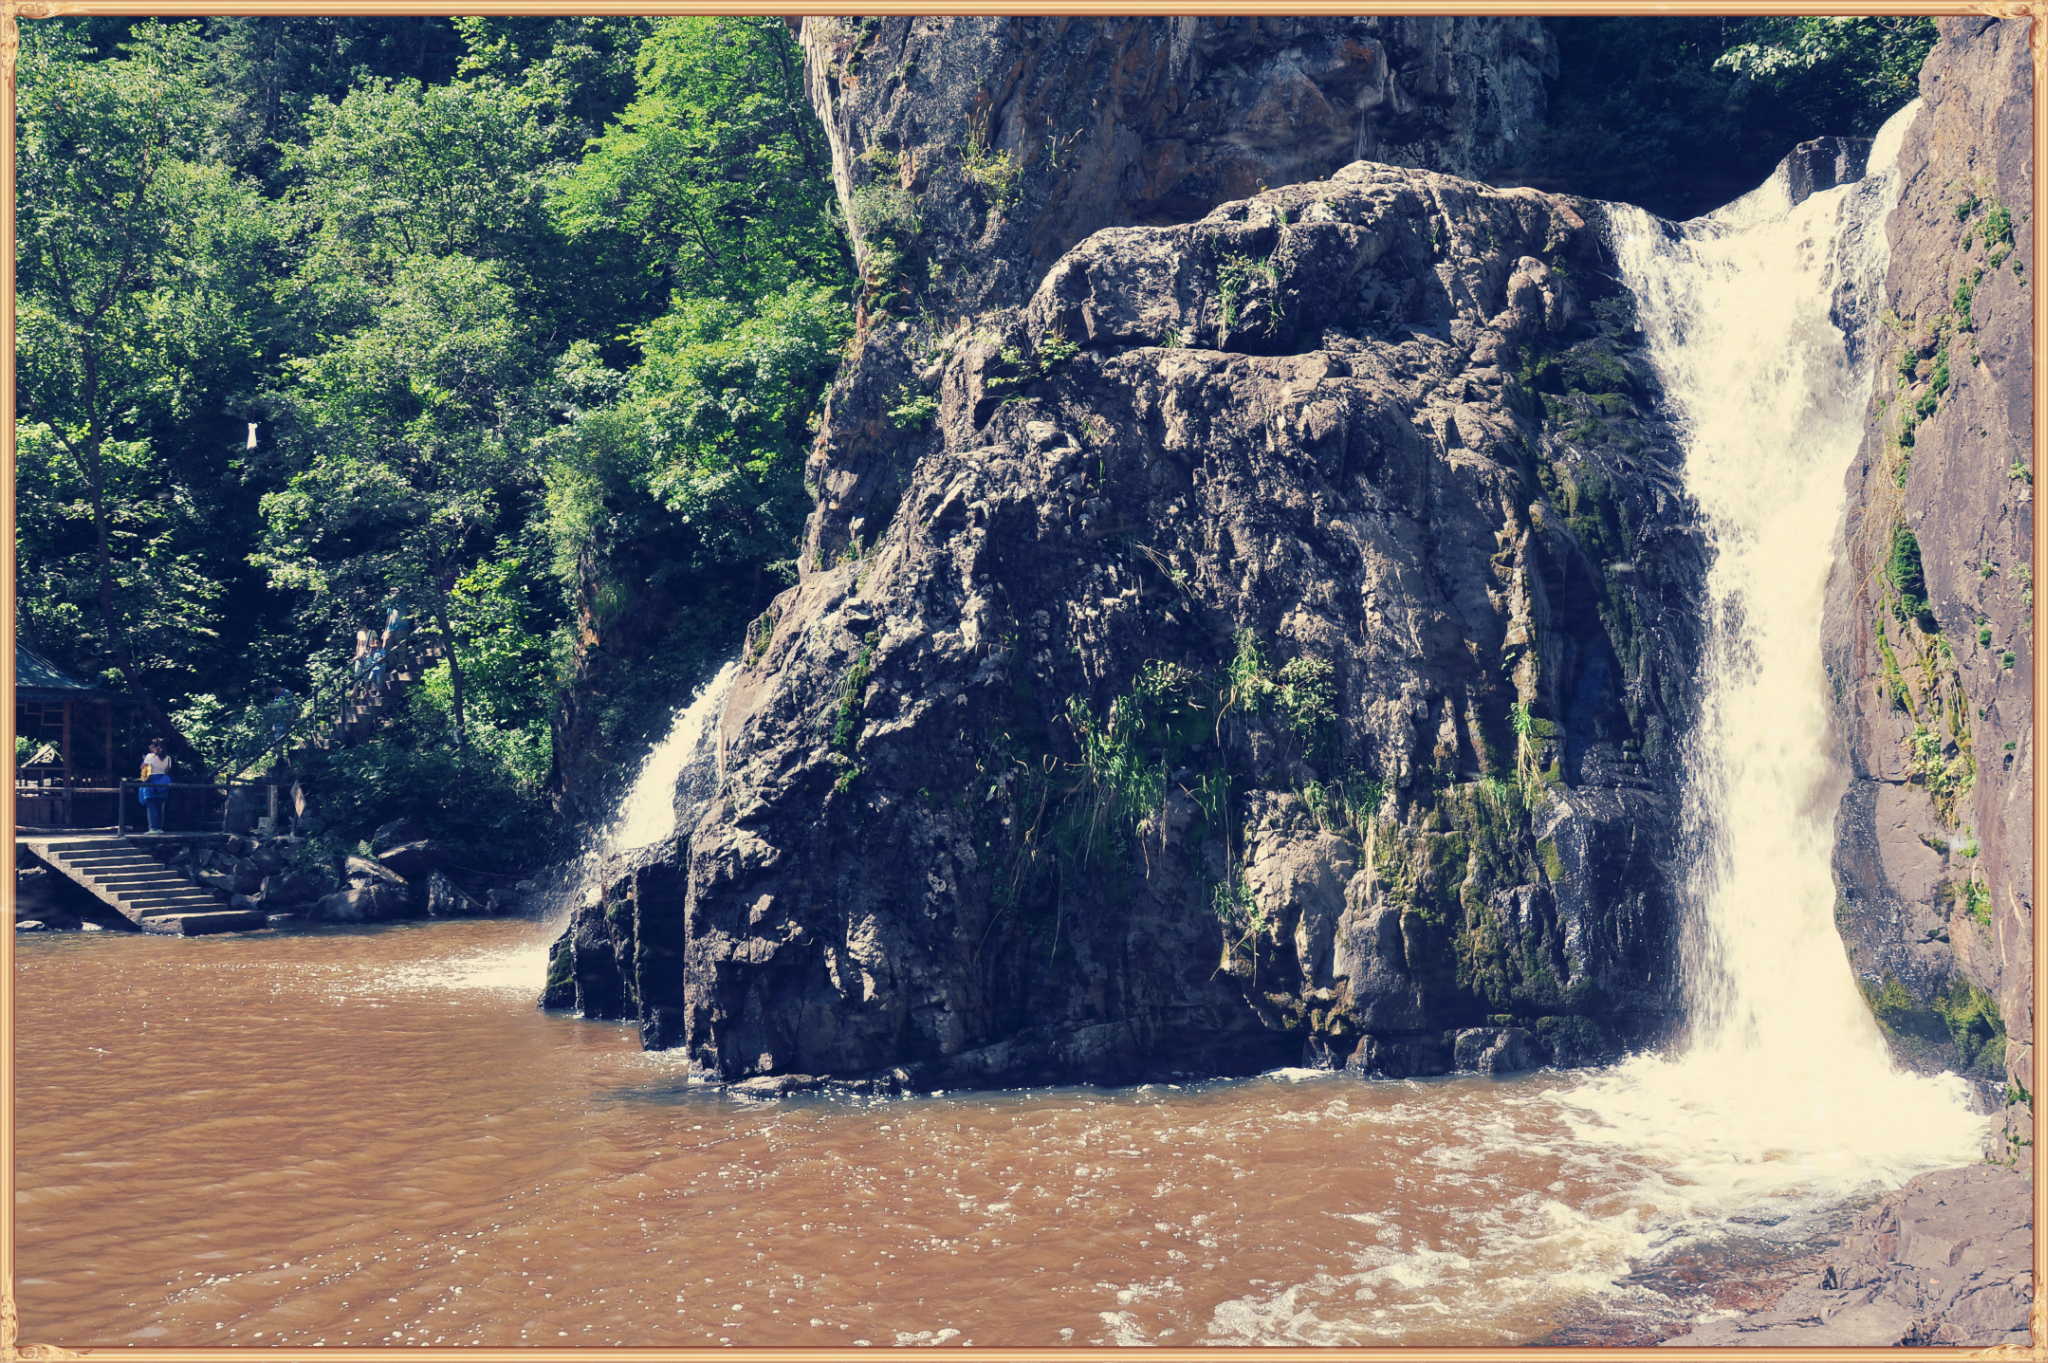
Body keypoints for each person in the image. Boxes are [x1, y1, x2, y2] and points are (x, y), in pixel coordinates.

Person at [138, 737, 173, 834]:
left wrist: (144, 760)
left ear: (154, 747)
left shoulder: (150, 756)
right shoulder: (168, 759)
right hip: (162, 782)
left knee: (151, 806)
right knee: (160, 806)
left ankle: (153, 828)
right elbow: (166, 771)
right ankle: (159, 828)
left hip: (151, 781)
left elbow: (142, 768)